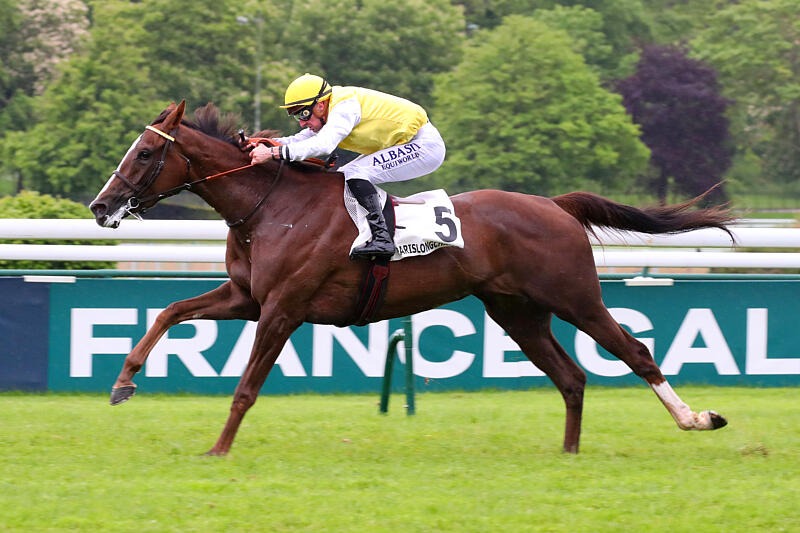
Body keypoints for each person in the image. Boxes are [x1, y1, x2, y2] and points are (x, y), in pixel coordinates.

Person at [250, 73, 446, 260]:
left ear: (320, 105)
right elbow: (298, 140)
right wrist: (265, 143)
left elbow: (322, 145)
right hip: (406, 144)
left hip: (423, 146)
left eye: (303, 114)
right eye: (296, 117)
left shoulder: (344, 108)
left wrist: (272, 153)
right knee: (342, 177)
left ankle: (383, 238)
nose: (301, 122)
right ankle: (365, 232)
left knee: (355, 172)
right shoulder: (328, 112)